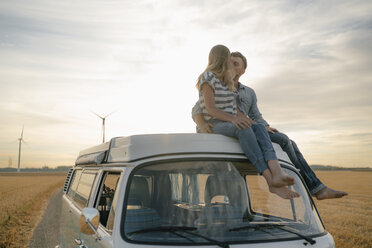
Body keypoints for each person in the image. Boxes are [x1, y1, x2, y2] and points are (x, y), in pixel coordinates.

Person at [193, 51, 348, 200]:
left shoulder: (249, 93)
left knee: (286, 140)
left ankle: (313, 186)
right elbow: (199, 108)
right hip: (234, 127)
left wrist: (264, 126)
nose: (231, 66)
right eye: (229, 62)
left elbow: (256, 116)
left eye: (235, 63)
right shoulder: (218, 82)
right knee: (284, 141)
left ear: (242, 71)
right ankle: (314, 187)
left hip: (248, 126)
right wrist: (203, 125)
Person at [196, 44, 299, 199]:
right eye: (228, 58)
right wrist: (234, 120)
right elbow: (210, 109)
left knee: (257, 127)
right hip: (214, 125)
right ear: (221, 58)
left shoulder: (226, 81)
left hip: (228, 122)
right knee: (243, 129)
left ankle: (277, 171)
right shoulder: (207, 77)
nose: (230, 63)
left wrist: (255, 123)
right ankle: (270, 181)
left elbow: (234, 109)